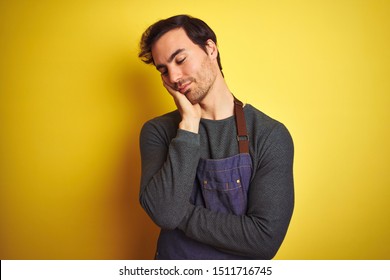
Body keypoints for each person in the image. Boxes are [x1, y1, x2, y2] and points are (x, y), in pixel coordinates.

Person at [138, 14, 294, 260]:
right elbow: (166, 214)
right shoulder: (157, 132)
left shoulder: (269, 135)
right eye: (164, 70)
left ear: (211, 49)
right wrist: (189, 125)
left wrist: (180, 212)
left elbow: (264, 239)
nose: (174, 77)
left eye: (180, 59)